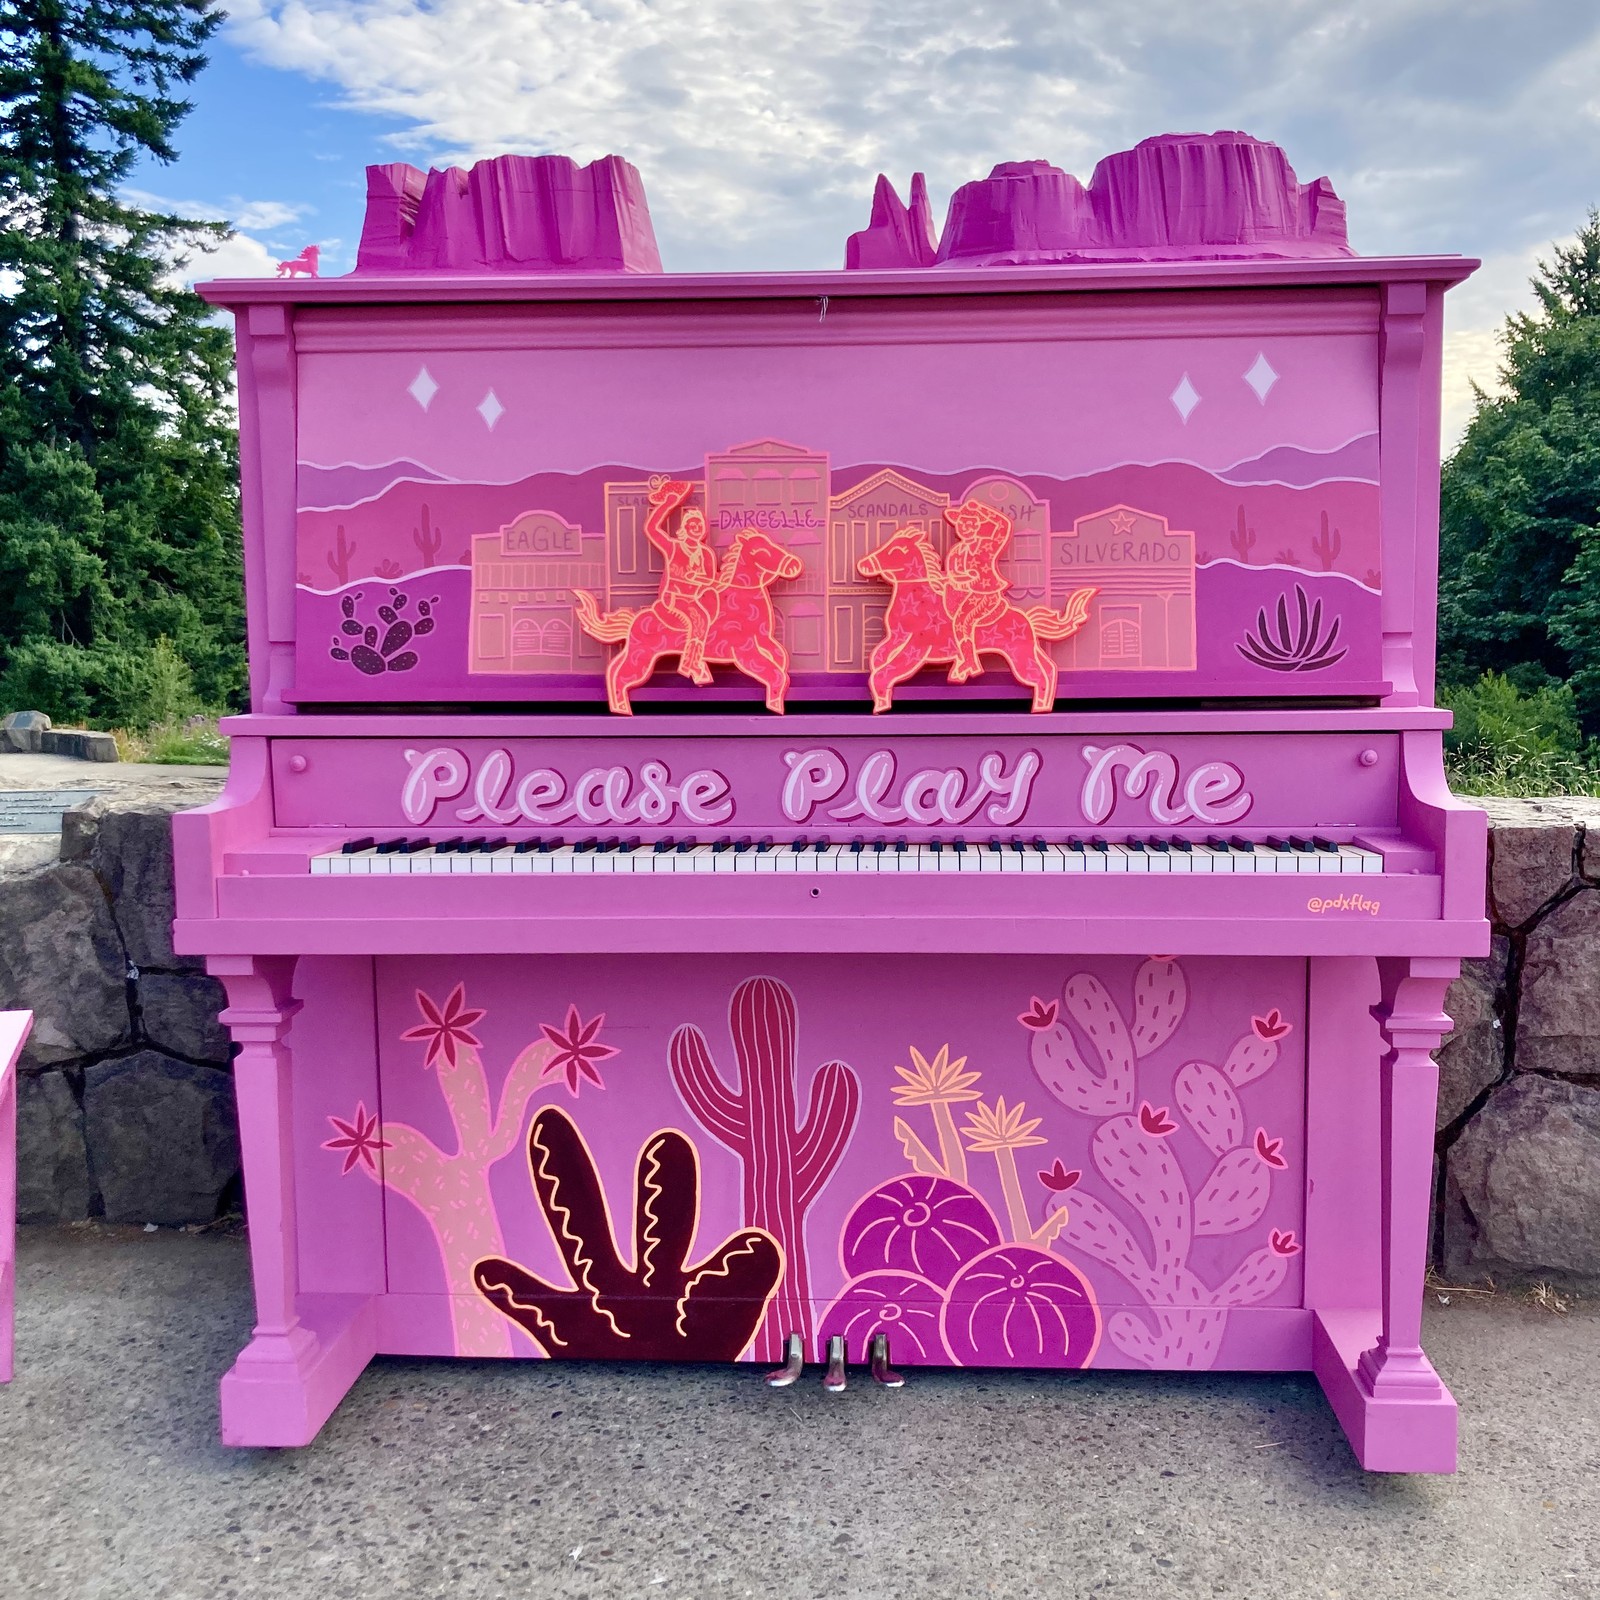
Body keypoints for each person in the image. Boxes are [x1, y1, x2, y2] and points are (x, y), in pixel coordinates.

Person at [643, 477, 718, 683]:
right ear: (685, 528)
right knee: (699, 619)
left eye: (699, 524)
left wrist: (701, 580)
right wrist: (668, 504)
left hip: (694, 599)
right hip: (674, 597)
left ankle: (695, 661)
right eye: (691, 524)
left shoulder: (706, 553)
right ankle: (690, 664)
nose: (696, 527)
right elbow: (651, 530)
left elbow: (710, 582)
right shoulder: (674, 547)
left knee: (708, 616)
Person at [942, 498, 1013, 682]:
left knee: (962, 620)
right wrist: (959, 580)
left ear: (976, 526)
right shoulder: (956, 551)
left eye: (970, 523)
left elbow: (1003, 525)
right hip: (961, 595)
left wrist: (980, 508)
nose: (965, 527)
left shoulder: (987, 545)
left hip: (986, 593)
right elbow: (952, 575)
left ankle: (969, 661)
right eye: (962, 524)